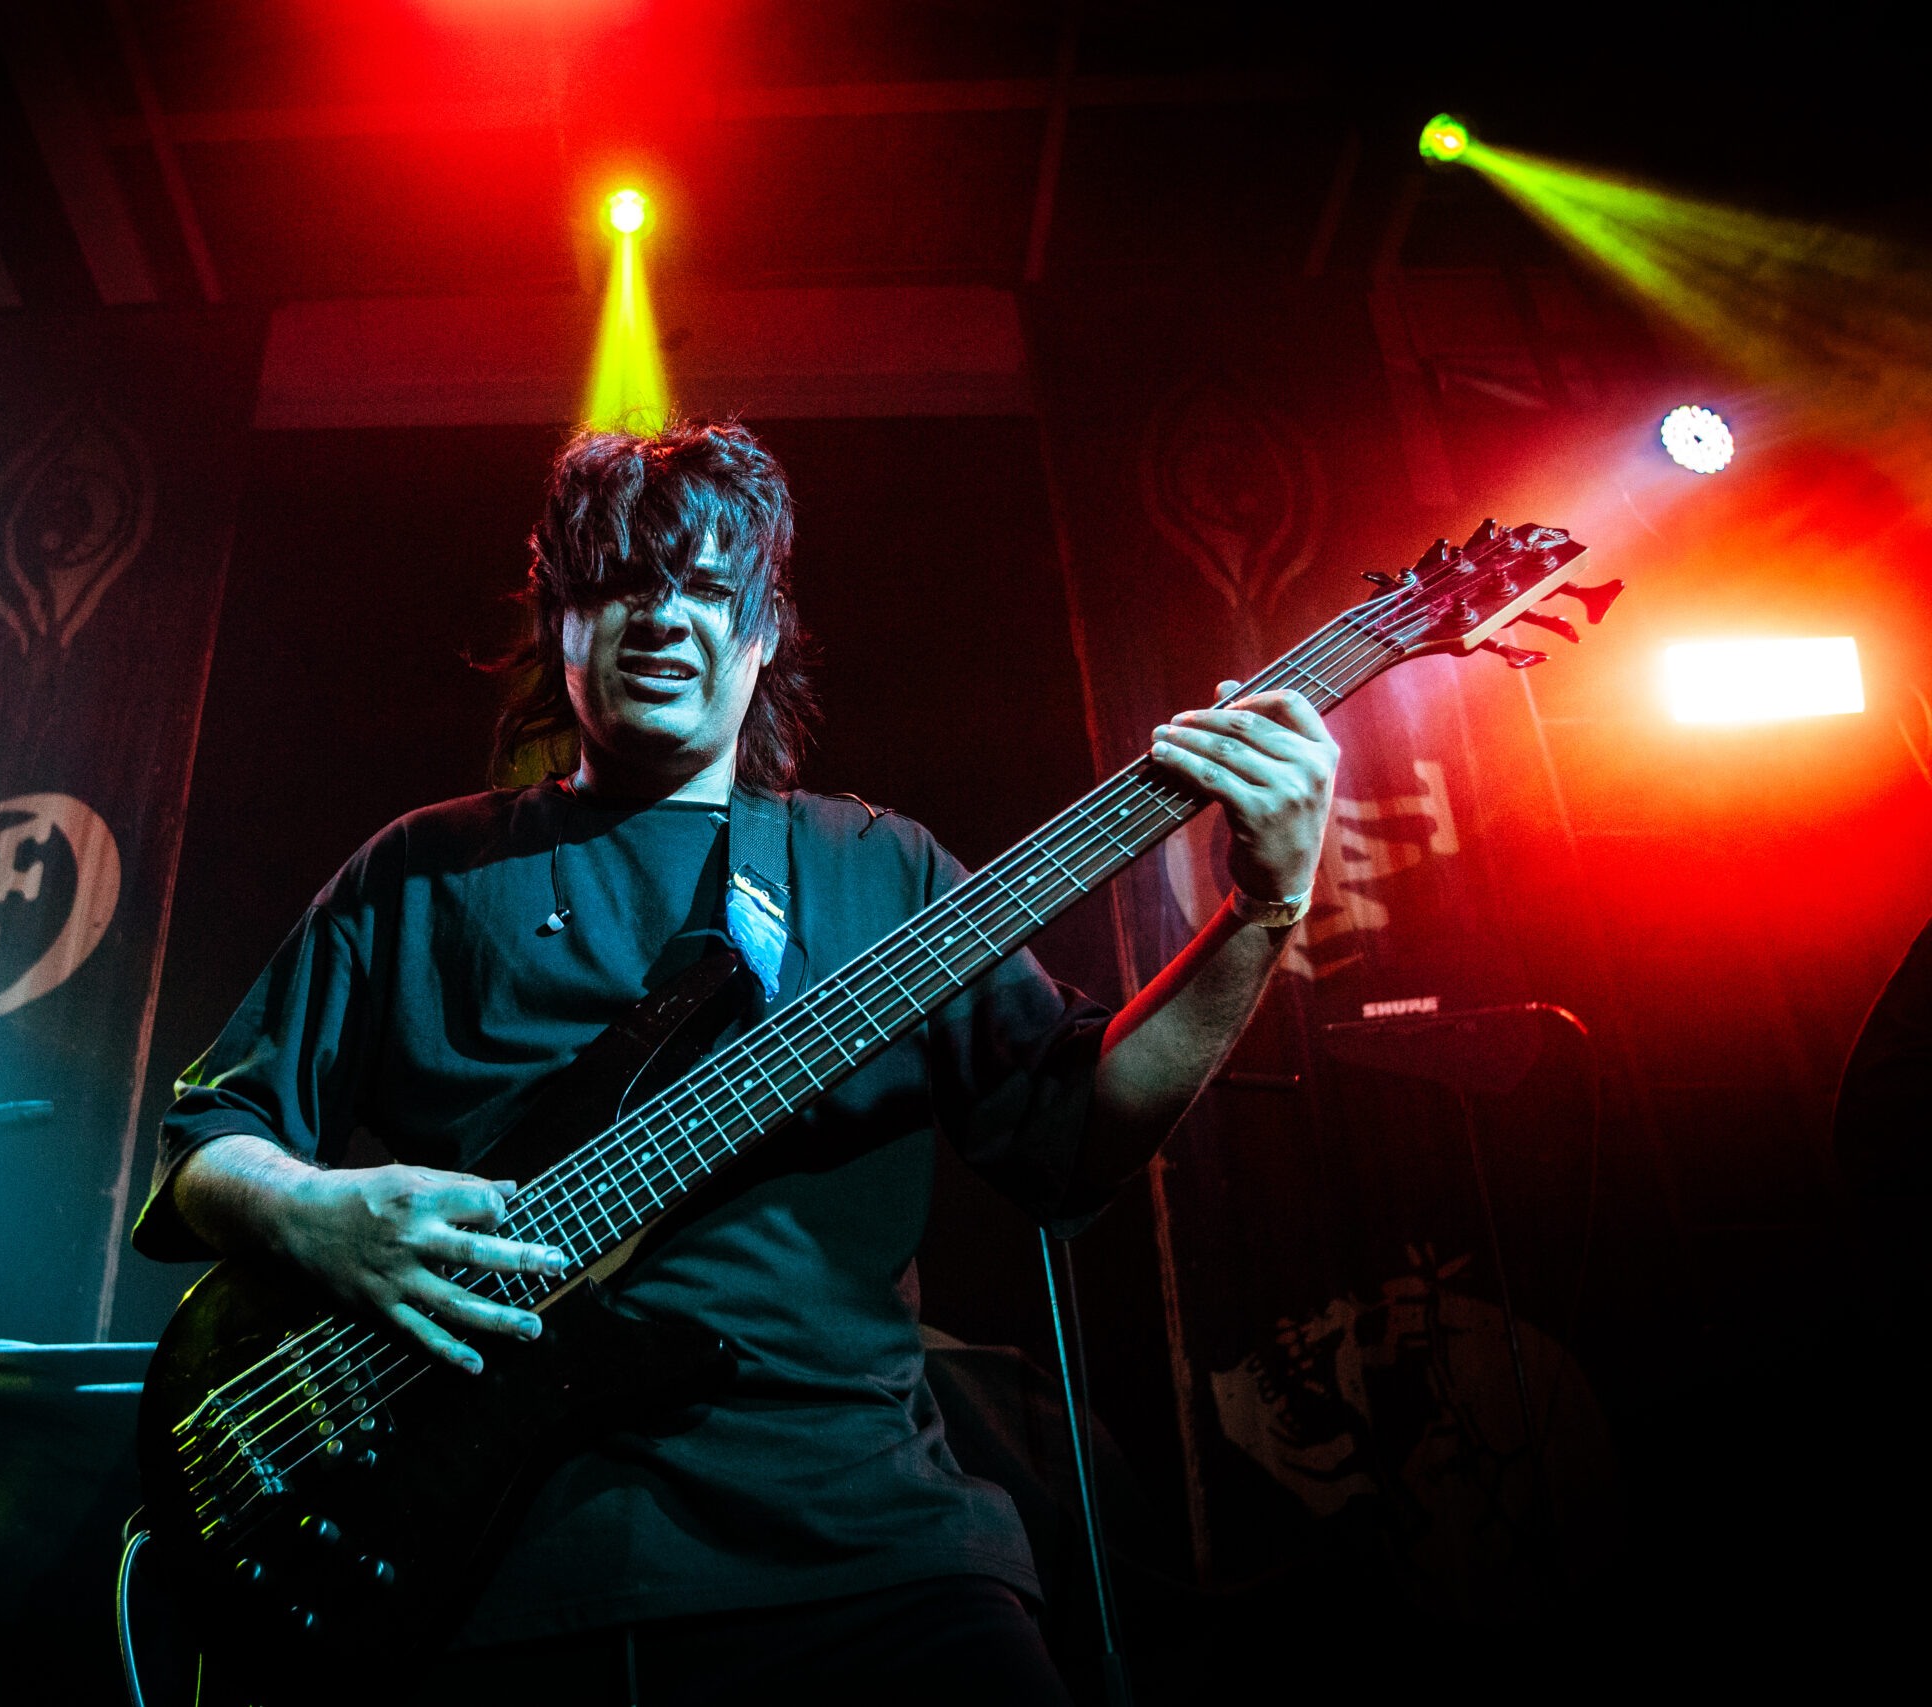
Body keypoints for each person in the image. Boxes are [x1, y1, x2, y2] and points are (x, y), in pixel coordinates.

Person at [131, 420, 1337, 1704]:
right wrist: (315, 1213)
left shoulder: (880, 869)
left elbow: (1077, 1134)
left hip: (867, 1547)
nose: (663, 617)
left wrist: (1263, 906)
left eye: (709, 589)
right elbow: (208, 1141)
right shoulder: (422, 870)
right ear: (558, 623)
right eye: (618, 586)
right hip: (486, 1577)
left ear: (762, 635)